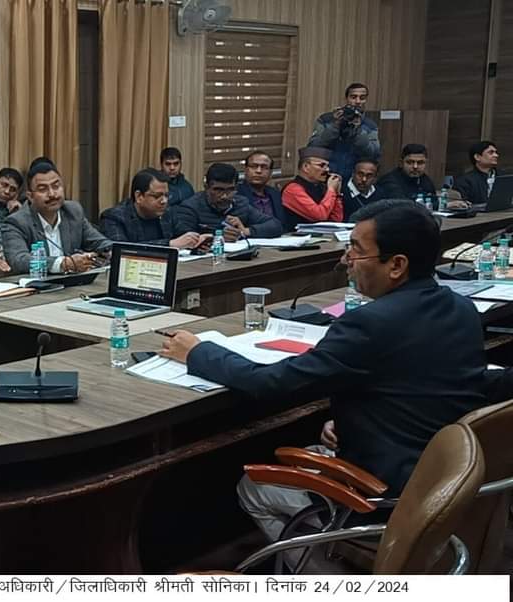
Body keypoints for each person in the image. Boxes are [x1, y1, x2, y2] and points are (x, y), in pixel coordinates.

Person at [158, 201, 487, 542]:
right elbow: (415, 384)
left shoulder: (370, 323)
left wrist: (198, 352)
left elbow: (270, 383)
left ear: (396, 265)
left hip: (387, 495)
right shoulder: (461, 307)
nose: (346, 259)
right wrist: (353, 418)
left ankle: (340, 564)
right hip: (447, 478)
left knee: (254, 486)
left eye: (356, 250)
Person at [1, 162, 112, 274]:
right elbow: (19, 261)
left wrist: (113, 252)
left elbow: (100, 243)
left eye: (56, 186)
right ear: (30, 196)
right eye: (43, 189)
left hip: (75, 283)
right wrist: (63, 264)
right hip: (37, 284)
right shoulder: (16, 222)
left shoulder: (73, 212)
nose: (52, 194)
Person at [175, 163, 284, 240]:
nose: (224, 196)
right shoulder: (190, 207)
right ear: (206, 187)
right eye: (218, 190)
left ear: (236, 188)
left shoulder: (241, 203)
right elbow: (184, 240)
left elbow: (275, 225)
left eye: (230, 190)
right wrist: (219, 237)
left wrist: (245, 231)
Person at [99, 169, 204, 248]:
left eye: (166, 195)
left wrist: (196, 240)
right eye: (157, 196)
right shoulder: (114, 217)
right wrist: (169, 244)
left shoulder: (167, 212)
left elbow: (183, 234)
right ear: (139, 196)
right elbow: (121, 250)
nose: (164, 201)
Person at [307, 82, 381, 178]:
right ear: (346, 99)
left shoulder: (370, 125)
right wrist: (335, 125)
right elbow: (313, 147)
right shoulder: (326, 119)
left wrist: (358, 130)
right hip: (327, 174)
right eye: (353, 97)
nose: (358, 101)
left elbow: (373, 154)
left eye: (362, 98)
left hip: (354, 177)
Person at [281, 147, 344, 230]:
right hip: (297, 235)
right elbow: (319, 216)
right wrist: (331, 190)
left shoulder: (322, 187)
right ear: (306, 167)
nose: (327, 170)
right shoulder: (293, 189)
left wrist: (337, 194)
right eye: (321, 165)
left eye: (327, 166)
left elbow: (336, 220)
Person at [236, 151, 287, 227]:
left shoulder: (276, 194)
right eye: (254, 166)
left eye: (264, 167)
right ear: (246, 170)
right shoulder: (237, 194)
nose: (258, 171)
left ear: (271, 172)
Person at [454, 141, 501, 206]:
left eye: (496, 152)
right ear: (477, 157)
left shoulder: (503, 177)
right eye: (491, 152)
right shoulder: (464, 181)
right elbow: (462, 204)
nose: (496, 155)